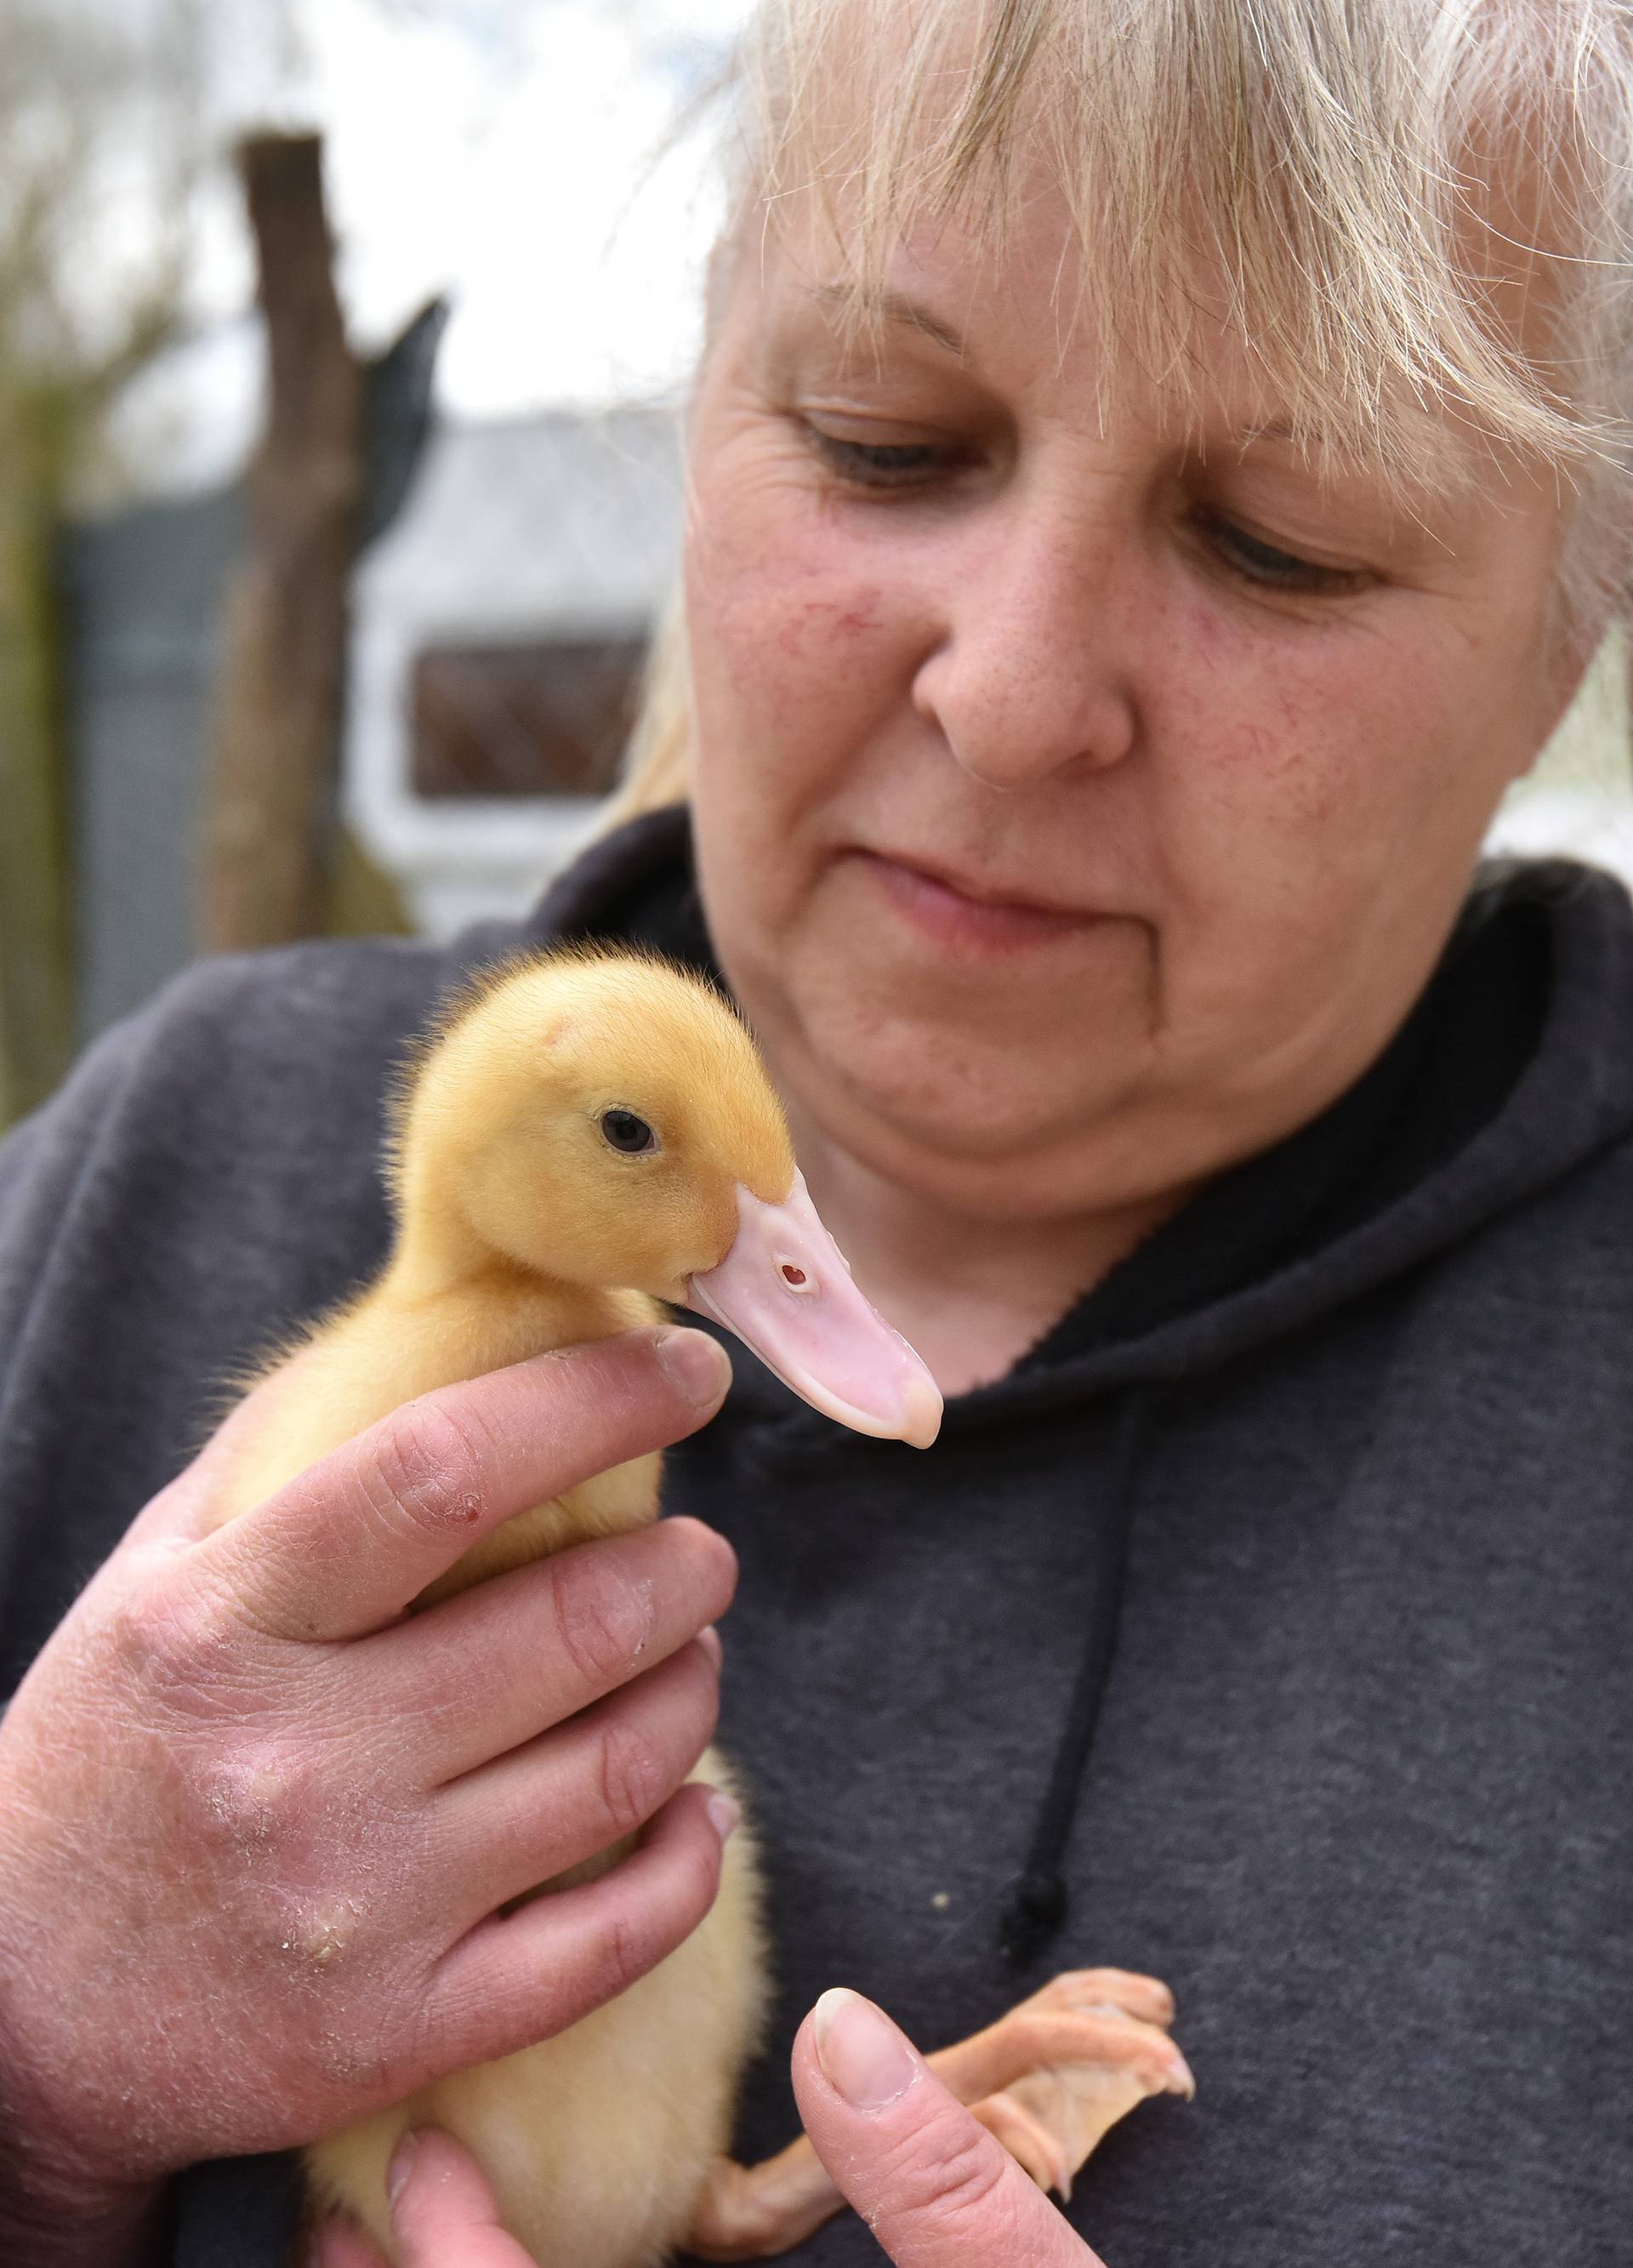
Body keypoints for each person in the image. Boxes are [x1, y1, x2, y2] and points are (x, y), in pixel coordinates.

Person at [2, 0, 1631, 2261]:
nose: (1016, 690)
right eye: (887, 437)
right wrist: (33, 2046)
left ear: (1567, 637)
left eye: (1283, 541)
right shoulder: (154, 1187)